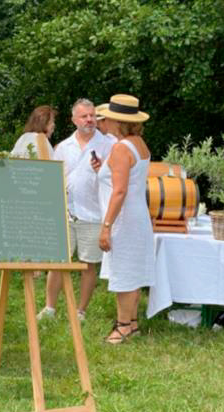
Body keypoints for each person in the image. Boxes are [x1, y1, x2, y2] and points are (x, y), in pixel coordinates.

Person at [37, 98, 115, 321]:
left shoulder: (108, 145)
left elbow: (114, 180)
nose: (89, 120)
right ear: (74, 120)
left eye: (92, 116)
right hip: (66, 213)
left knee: (88, 264)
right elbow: (53, 178)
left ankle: (80, 311)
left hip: (94, 213)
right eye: (84, 116)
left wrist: (102, 170)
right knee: (58, 262)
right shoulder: (62, 147)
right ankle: (50, 308)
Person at [97, 94, 154, 343]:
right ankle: (132, 323)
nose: (104, 122)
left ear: (117, 121)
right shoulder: (138, 143)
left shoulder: (121, 148)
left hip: (125, 218)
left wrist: (106, 226)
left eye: (107, 118)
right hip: (138, 215)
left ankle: (122, 326)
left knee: (124, 272)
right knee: (134, 271)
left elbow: (120, 191)